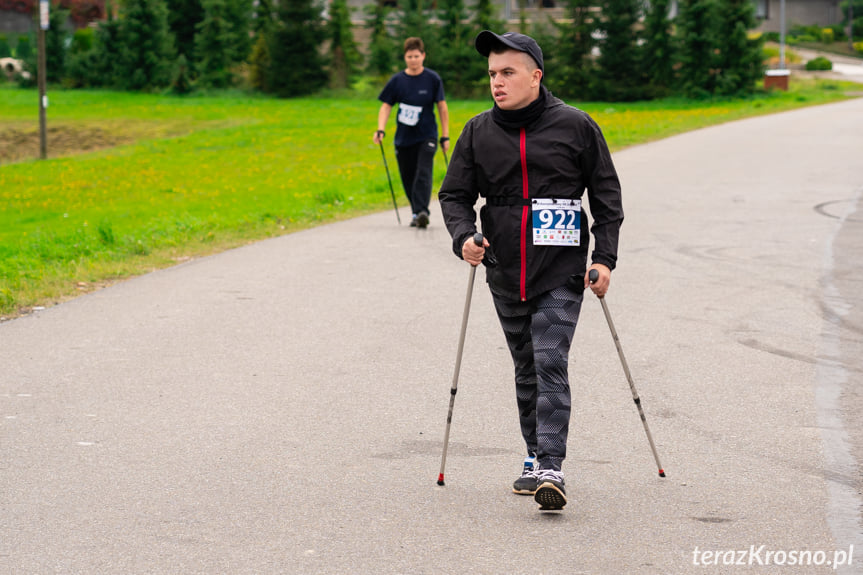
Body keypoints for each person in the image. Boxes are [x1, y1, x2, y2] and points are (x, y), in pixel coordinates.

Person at [438, 31, 624, 511]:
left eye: (507, 73)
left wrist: (604, 258)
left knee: (549, 360)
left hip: (561, 269)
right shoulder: (478, 132)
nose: (497, 83)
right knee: (525, 368)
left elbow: (606, 199)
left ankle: (551, 466)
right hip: (505, 269)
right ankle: (533, 453)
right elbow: (454, 195)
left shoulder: (576, 127)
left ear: (535, 76)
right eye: (492, 75)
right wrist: (464, 237)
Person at [373, 37, 450, 229]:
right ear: (404, 58)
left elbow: (442, 107)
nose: (413, 60)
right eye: (409, 56)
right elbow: (386, 107)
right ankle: (416, 212)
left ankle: (423, 211)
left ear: (423, 56)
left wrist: (445, 135)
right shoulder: (398, 81)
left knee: (423, 172)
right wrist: (380, 129)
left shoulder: (432, 79)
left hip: (427, 135)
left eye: (416, 56)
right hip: (404, 139)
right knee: (408, 176)